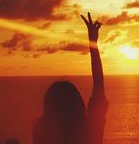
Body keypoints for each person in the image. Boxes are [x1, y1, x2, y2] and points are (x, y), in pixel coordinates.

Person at [32, 12, 108, 144]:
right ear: (77, 103)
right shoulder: (90, 130)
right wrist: (93, 44)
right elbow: (99, 88)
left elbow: (99, 90)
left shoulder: (42, 133)